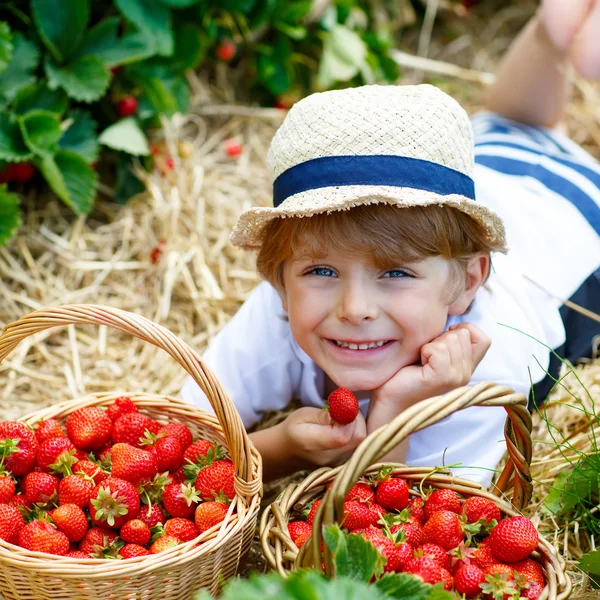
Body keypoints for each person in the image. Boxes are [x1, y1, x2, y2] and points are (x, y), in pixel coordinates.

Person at [181, 0, 600, 485]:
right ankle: (552, 32)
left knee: (523, 128)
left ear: (468, 281)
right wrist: (283, 449)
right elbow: (183, 439)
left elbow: (394, 522)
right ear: (278, 279)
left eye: (395, 273)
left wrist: (400, 404)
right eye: (322, 272)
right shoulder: (278, 310)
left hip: (578, 223)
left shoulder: (487, 369)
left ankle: (556, 37)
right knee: (513, 123)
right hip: (481, 167)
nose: (355, 309)